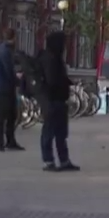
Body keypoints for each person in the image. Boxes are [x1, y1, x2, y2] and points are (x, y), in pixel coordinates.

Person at [38, 30, 80, 172]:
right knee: (49, 132)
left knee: (61, 133)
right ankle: (49, 160)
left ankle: (64, 160)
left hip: (59, 100)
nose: (66, 46)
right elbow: (52, 80)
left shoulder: (55, 57)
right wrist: (63, 83)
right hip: (52, 100)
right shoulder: (50, 59)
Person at [0, 29, 24, 152]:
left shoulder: (0, 49)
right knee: (3, 115)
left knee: (11, 115)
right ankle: (1, 142)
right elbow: (8, 70)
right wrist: (17, 80)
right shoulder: (4, 51)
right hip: (3, 87)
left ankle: (10, 141)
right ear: (13, 37)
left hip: (1, 86)